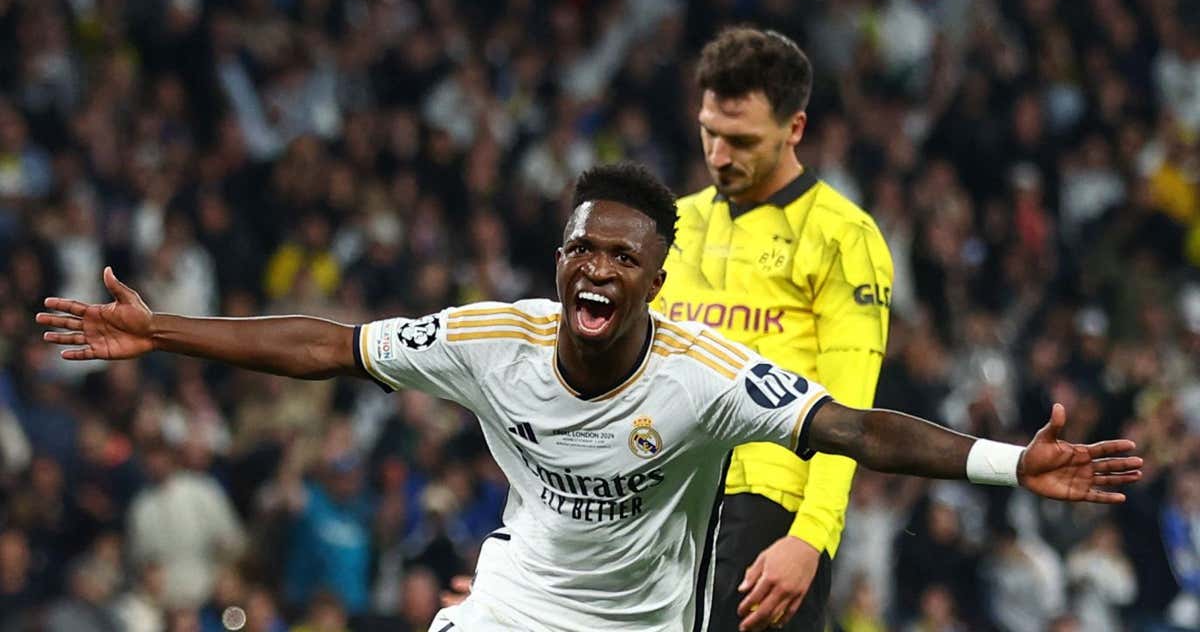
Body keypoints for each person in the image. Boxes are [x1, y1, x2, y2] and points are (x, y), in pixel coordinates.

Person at [37, 163, 1142, 632]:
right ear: (560, 259)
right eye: (582, 250)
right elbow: (327, 346)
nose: (597, 271)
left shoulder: (705, 377)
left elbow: (849, 427)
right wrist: (160, 331)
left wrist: (1009, 463)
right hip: (513, 607)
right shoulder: (492, 340)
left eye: (623, 257)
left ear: (655, 279)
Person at [656, 27, 892, 632]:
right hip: (659, 502)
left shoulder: (844, 236)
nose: (719, 155)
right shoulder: (672, 225)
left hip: (767, 513)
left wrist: (810, 539)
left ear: (795, 129)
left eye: (742, 140)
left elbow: (851, 412)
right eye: (709, 132)